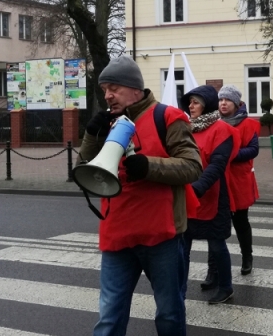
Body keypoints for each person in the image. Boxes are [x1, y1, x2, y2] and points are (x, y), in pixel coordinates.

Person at [80, 56, 202, 336]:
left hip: (162, 235)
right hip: (117, 233)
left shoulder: (167, 117)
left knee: (169, 313)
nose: (107, 95)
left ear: (135, 89)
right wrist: (91, 136)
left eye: (113, 88)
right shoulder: (107, 123)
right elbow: (85, 172)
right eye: (104, 90)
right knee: (109, 317)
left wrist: (148, 166)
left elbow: (193, 165)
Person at [180, 85, 240, 304]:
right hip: (188, 196)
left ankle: (226, 287)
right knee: (183, 245)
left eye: (195, 102)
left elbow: (217, 165)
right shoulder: (187, 128)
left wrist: (198, 187)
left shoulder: (221, 129)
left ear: (206, 104)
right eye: (190, 102)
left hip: (212, 195)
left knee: (216, 245)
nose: (191, 106)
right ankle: (180, 288)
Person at [215, 84, 260, 277]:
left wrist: (229, 155)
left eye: (227, 100)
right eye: (221, 100)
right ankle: (215, 267)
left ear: (236, 103)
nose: (223, 103)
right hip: (219, 180)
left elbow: (253, 149)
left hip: (239, 180)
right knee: (216, 225)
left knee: (241, 222)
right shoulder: (215, 122)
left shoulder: (248, 124)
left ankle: (247, 257)